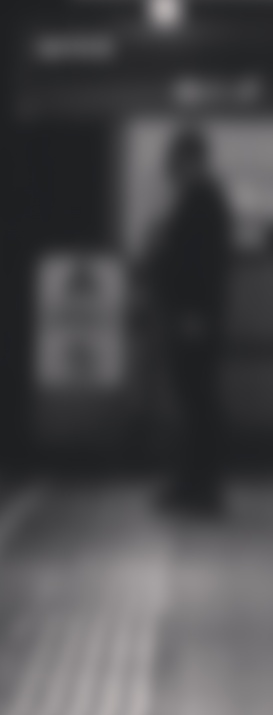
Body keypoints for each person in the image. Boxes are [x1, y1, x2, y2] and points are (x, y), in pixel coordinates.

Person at [141, 128, 234, 511]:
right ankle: (191, 482)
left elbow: (202, 266)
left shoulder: (204, 201)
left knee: (196, 402)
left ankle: (199, 487)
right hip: (191, 315)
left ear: (190, 160)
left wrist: (194, 313)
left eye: (176, 162)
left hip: (193, 317)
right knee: (193, 401)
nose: (171, 171)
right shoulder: (200, 200)